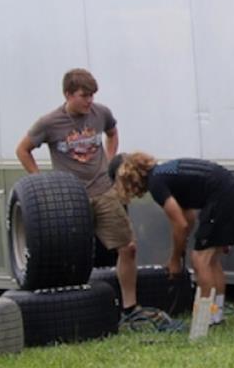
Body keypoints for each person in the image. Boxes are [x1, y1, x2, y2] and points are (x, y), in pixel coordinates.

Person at [14, 69, 142, 320]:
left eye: (92, 95)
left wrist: (109, 159)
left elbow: (112, 131)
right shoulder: (49, 122)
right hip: (70, 199)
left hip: (103, 192)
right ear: (68, 94)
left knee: (128, 248)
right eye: (84, 96)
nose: (89, 101)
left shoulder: (100, 113)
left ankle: (130, 307)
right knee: (68, 257)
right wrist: (41, 181)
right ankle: (65, 312)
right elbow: (23, 150)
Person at [111, 152, 234, 326]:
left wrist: (175, 259)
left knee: (200, 260)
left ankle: (203, 320)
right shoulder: (166, 173)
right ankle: (216, 315)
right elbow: (188, 217)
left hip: (222, 197)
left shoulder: (157, 183)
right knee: (212, 261)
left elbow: (181, 225)